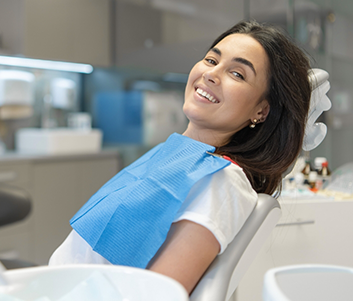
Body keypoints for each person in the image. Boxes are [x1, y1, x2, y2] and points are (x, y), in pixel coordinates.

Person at [49, 20, 312, 294]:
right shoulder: (173, 153)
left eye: (237, 74)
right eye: (211, 60)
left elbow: (158, 295)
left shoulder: (222, 181)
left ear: (261, 110)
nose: (211, 74)